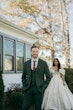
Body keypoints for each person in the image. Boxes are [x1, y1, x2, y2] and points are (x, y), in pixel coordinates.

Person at [22, 44, 51, 110]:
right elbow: (23, 77)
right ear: (31, 52)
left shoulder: (43, 63)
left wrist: (43, 87)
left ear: (38, 52)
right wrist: (24, 86)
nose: (35, 53)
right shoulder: (26, 63)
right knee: (24, 107)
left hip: (39, 90)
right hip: (28, 90)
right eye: (33, 51)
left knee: (38, 108)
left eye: (36, 51)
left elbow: (48, 77)